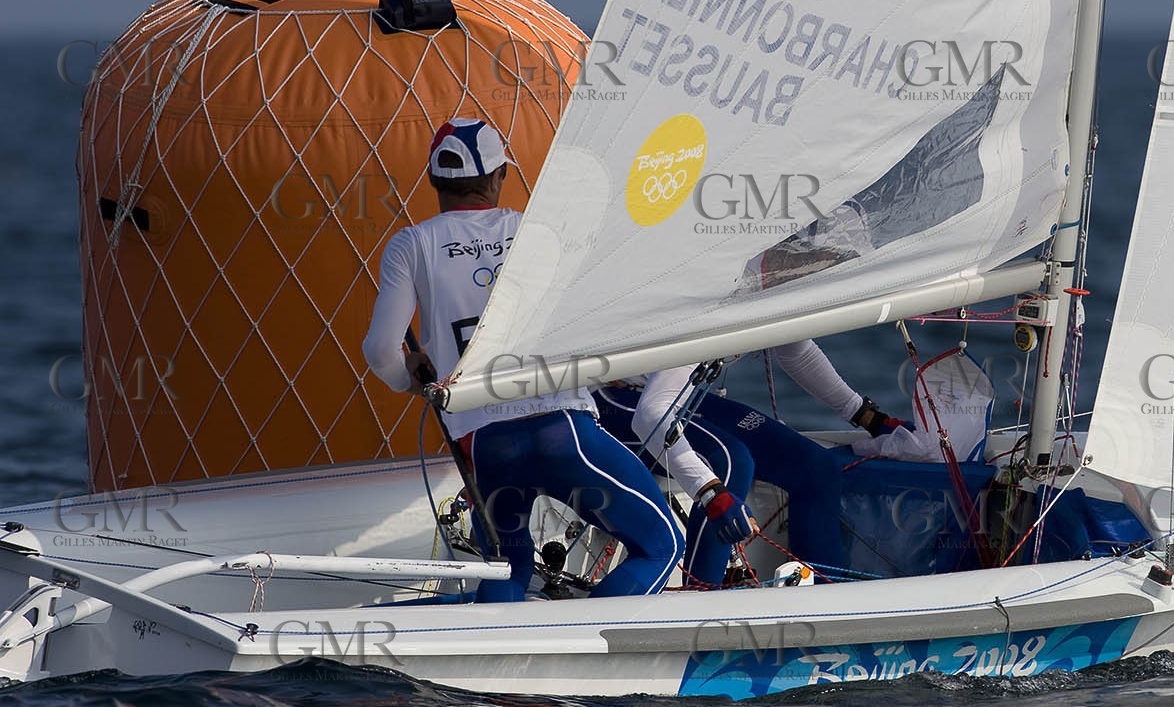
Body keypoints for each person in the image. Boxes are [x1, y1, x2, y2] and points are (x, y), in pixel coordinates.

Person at [362, 118, 687, 601]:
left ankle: (490, 668)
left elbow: (380, 350)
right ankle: (589, 652)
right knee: (662, 544)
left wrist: (408, 381)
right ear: (499, 177)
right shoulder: (538, 234)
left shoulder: (410, 244)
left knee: (509, 572)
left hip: (487, 447)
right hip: (561, 434)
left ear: (433, 181)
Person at [596, 339, 912, 582]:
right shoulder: (718, 294)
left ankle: (821, 597)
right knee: (732, 463)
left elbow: (796, 350)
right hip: (614, 399)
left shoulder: (778, 282)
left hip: (678, 396)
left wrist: (865, 416)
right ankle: (701, 597)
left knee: (817, 469)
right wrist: (710, 492)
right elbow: (650, 415)